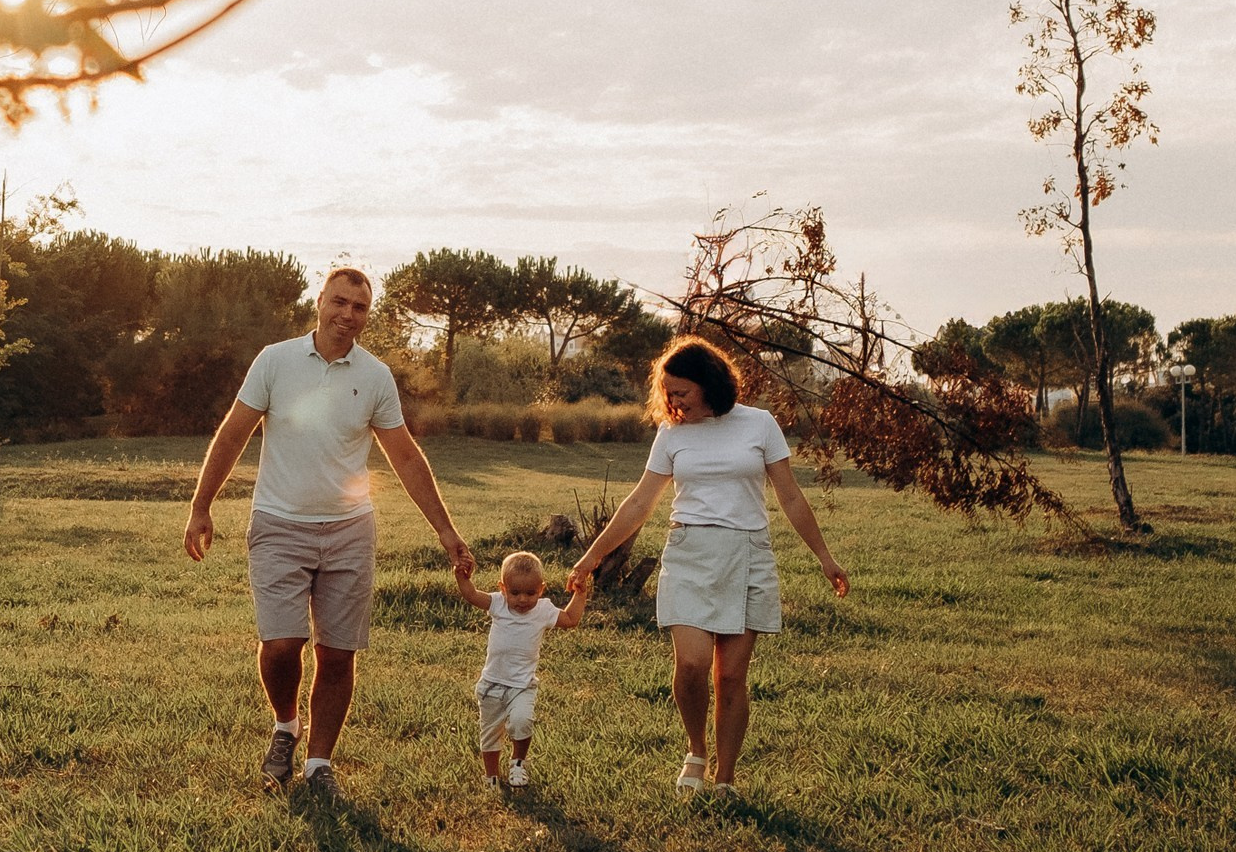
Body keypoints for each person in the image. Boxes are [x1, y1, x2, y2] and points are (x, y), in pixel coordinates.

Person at [183, 267, 476, 794]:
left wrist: (446, 531)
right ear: (320, 301)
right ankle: (286, 726)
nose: (347, 315)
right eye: (339, 302)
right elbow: (232, 434)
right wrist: (201, 505)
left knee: (337, 653)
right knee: (281, 645)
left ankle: (319, 764)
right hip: (278, 524)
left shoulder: (376, 376)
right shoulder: (275, 361)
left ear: (367, 315)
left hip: (349, 530)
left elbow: (406, 457)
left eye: (359, 308)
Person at [569, 337, 849, 798]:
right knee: (692, 665)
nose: (673, 401)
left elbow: (791, 496)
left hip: (747, 553)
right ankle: (696, 750)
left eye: (681, 391)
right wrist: (591, 557)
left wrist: (825, 557)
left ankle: (725, 777)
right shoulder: (671, 433)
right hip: (689, 552)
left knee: (731, 676)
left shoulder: (759, 424)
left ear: (709, 383)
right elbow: (640, 502)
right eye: (668, 393)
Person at [449, 548, 586, 789]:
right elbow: (471, 595)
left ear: (541, 589)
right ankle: (491, 777)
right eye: (515, 592)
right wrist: (461, 576)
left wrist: (580, 593)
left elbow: (570, 619)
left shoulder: (543, 610)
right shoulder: (498, 604)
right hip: (491, 685)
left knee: (522, 721)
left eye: (530, 593)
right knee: (490, 734)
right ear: (503, 588)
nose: (522, 599)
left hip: (522, 686)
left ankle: (518, 763)